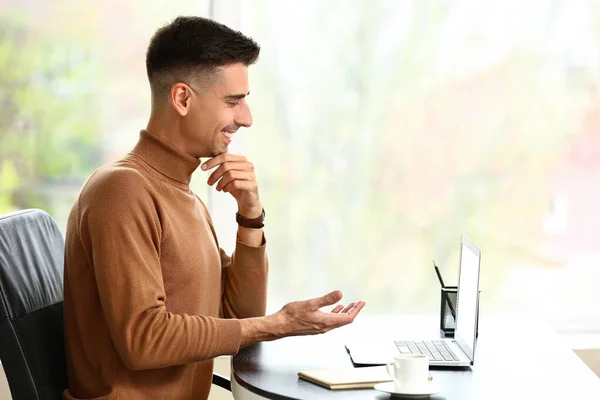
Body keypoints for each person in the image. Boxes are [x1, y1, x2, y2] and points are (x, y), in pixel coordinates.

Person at [62, 16, 365, 400]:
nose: (246, 118)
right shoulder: (122, 191)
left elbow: (239, 314)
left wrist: (251, 216)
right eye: (233, 101)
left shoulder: (181, 193)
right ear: (183, 98)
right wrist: (279, 324)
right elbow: (143, 340)